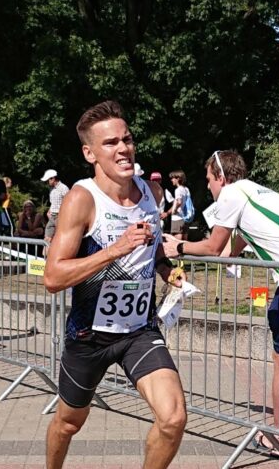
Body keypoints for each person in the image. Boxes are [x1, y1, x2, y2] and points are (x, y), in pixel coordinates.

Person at [162, 150, 279, 462]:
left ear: (221, 176)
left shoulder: (231, 193)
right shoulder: (254, 192)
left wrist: (178, 247)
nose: (209, 189)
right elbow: (231, 250)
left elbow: (215, 247)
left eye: (208, 182)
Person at [42, 100, 186, 469]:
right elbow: (53, 277)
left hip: (138, 331)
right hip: (89, 336)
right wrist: (115, 248)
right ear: (90, 152)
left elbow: (150, 253)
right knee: (70, 423)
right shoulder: (81, 199)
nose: (123, 148)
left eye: (127, 139)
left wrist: (167, 271)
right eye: (110, 143)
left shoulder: (151, 194)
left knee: (172, 419)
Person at [41, 169, 70, 244]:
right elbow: (53, 202)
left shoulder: (64, 188)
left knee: (59, 239)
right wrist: (49, 211)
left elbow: (69, 203)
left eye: (48, 180)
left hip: (60, 216)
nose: (47, 182)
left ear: (53, 178)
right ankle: (46, 255)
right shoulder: (51, 189)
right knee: (47, 239)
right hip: (52, 216)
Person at [168, 170, 192, 239]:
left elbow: (179, 201)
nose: (171, 180)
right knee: (184, 241)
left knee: (177, 241)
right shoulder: (186, 189)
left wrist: (174, 210)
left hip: (177, 218)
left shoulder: (178, 190)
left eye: (173, 178)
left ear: (178, 179)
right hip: (185, 218)